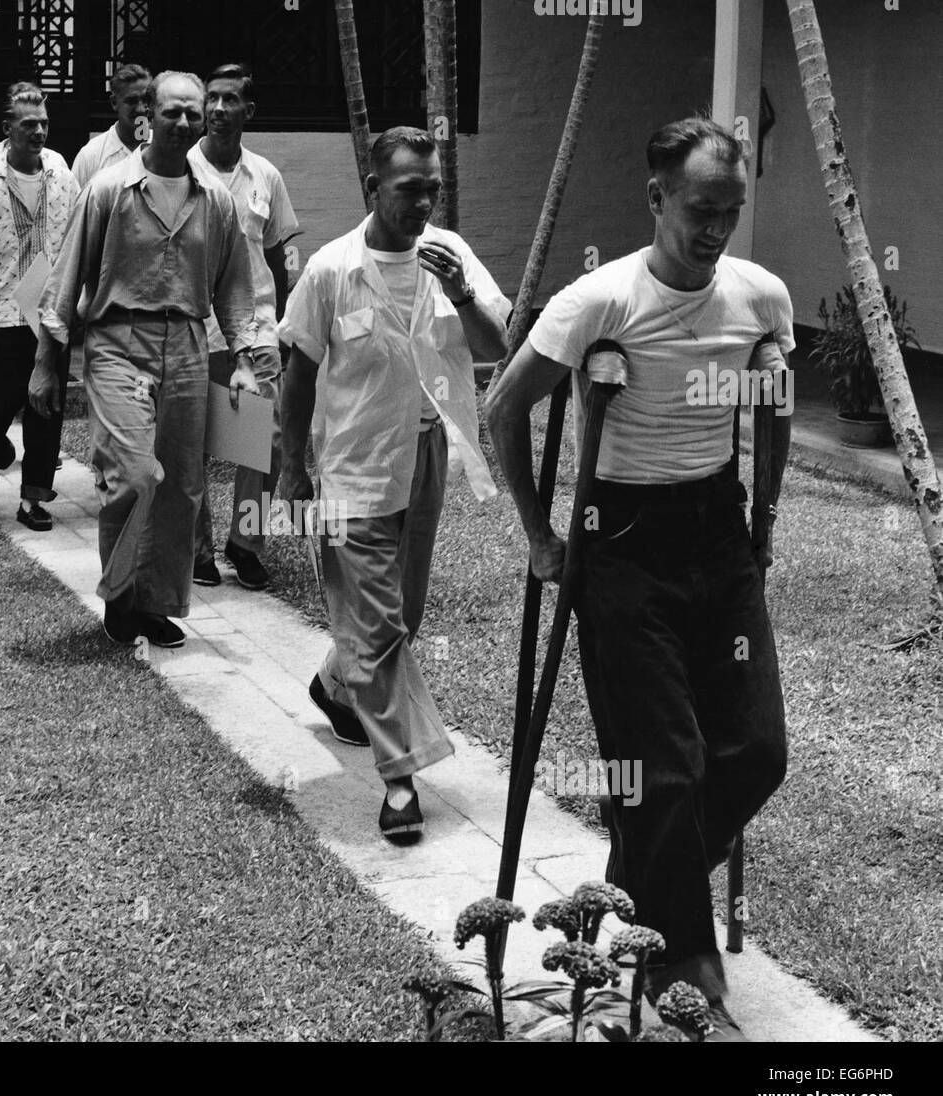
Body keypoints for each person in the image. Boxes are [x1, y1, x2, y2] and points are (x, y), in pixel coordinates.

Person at [485, 117, 793, 1041]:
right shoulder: (598, 302)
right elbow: (504, 408)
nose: (716, 231)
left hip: (716, 528)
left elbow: (772, 407)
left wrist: (764, 529)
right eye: (701, 210)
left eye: (731, 213)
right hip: (617, 537)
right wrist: (542, 537)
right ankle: (681, 961)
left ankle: (638, 867)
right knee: (664, 764)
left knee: (756, 751)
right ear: (657, 198)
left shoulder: (760, 297)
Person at [278, 126, 509, 840]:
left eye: (432, 188)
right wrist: (290, 467)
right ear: (374, 189)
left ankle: (335, 681)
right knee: (379, 627)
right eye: (411, 189)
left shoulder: (452, 256)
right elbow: (299, 370)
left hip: (427, 454)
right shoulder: (330, 269)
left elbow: (496, 348)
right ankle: (401, 780)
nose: (424, 202)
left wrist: (463, 294)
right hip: (353, 463)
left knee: (399, 614)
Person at [31, 71, 258, 650]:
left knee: (182, 484)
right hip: (117, 346)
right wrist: (46, 361)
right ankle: (122, 595)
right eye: (171, 112)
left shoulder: (219, 203)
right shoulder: (109, 189)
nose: (183, 123)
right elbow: (65, 279)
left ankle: (158, 604)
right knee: (133, 474)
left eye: (193, 113)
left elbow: (235, 288)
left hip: (186, 345)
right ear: (147, 118)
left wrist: (243, 358)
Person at [188, 63, 299, 592]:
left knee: (265, 444)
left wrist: (284, 325)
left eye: (230, 100)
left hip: (257, 327)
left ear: (248, 111)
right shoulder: (182, 169)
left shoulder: (266, 176)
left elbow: (275, 257)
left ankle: (244, 543)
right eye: (211, 98)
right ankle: (196, 548)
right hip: (198, 325)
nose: (217, 109)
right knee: (196, 442)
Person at [0, 83, 76, 531]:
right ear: (8, 128)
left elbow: (77, 236)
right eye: (29, 125)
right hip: (2, 306)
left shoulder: (61, 174)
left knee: (47, 407)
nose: (39, 131)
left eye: (44, 123)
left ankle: (33, 498)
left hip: (48, 309)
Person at [70, 63, 151, 191]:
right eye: (131, 101)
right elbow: (77, 207)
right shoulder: (91, 155)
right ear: (114, 102)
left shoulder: (163, 146)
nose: (141, 109)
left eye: (146, 100)